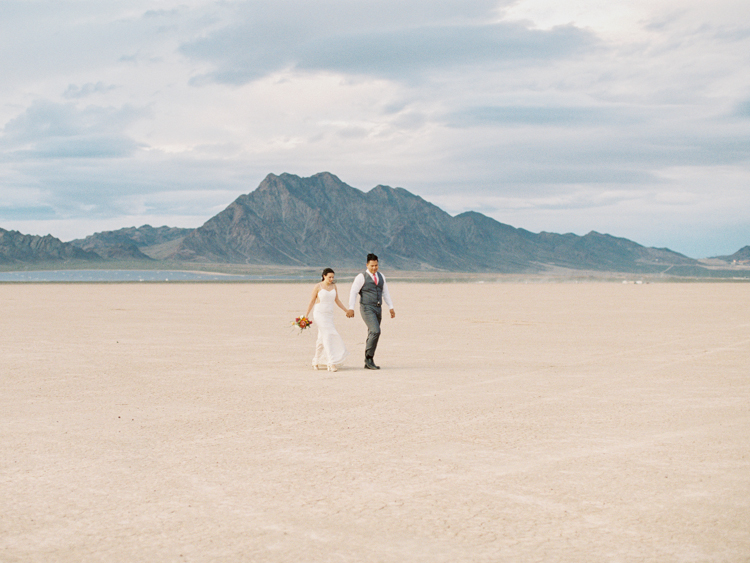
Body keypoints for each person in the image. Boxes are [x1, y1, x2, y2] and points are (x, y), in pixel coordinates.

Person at [346, 253, 395, 370]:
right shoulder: (361, 277)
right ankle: (368, 358)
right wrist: (351, 308)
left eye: (376, 265)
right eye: (372, 265)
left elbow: (385, 292)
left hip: (378, 308)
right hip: (367, 308)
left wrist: (391, 307)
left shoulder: (381, 276)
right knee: (375, 330)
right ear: (367, 264)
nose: (374, 268)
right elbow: (353, 292)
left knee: (372, 333)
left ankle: (368, 360)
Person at [304, 268, 349, 372]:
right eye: (329, 277)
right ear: (324, 276)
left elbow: (337, 300)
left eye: (333, 277)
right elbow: (312, 301)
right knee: (329, 335)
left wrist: (346, 310)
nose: (331, 279)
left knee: (321, 338)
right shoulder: (318, 286)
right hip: (319, 314)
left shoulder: (334, 286)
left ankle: (315, 361)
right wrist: (306, 315)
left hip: (329, 315)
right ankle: (331, 362)